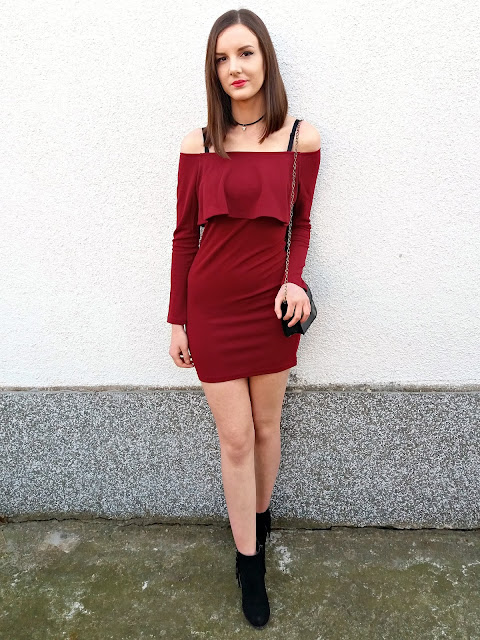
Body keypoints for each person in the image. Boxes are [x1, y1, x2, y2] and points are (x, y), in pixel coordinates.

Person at [167, 8, 321, 629]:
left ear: (266, 59)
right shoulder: (198, 144)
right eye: (221, 58)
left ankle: (258, 518)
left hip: (270, 308)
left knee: (265, 427)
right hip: (211, 309)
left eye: (245, 53)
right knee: (234, 438)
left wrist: (295, 279)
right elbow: (184, 235)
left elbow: (301, 224)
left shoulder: (300, 139)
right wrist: (177, 319)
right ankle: (249, 562)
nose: (235, 67)